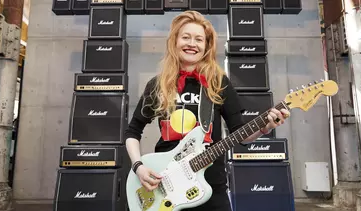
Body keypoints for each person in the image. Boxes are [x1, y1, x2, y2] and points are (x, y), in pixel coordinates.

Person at [124, 10, 290, 211]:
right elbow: (133, 131)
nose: (192, 44)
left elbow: (241, 134)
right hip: (163, 185)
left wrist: (265, 127)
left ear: (206, 47)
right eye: (186, 37)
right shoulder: (158, 85)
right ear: (174, 42)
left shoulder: (218, 84)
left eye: (199, 39)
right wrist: (138, 167)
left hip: (210, 186)